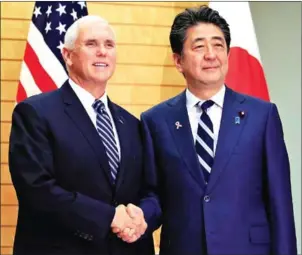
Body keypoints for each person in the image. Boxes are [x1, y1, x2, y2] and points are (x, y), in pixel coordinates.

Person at [139, 5, 297, 255]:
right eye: (199, 47)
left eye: (218, 45)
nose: (211, 55)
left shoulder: (262, 116)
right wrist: (137, 217)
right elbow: (154, 195)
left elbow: (280, 202)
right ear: (178, 60)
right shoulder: (155, 121)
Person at [9, 15, 155, 255]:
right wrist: (109, 217)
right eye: (91, 44)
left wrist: (143, 216)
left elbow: (151, 190)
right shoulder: (35, 113)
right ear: (67, 55)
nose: (102, 52)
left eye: (109, 45)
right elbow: (36, 190)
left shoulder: (132, 123)